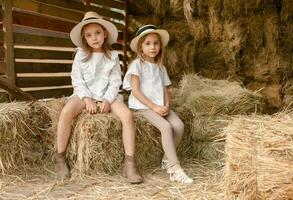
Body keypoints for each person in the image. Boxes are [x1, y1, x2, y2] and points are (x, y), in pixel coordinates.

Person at [55, 11, 143, 184]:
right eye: (89, 35)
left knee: (127, 116)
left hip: (107, 96)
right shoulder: (80, 55)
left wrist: (107, 100)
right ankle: (59, 158)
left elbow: (115, 82)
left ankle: (130, 163)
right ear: (84, 39)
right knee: (66, 112)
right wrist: (86, 99)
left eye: (97, 33)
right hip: (84, 94)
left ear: (105, 34)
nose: (94, 38)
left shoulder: (112, 56)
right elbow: (77, 79)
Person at [123, 25, 193, 184]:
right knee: (166, 127)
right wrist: (154, 107)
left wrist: (166, 105)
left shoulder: (161, 68)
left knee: (179, 126)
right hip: (142, 107)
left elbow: (165, 90)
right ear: (140, 46)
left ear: (160, 46)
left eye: (156, 43)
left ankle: (166, 160)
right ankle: (175, 169)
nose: (153, 47)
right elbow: (136, 91)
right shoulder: (137, 65)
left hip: (159, 106)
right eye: (148, 43)